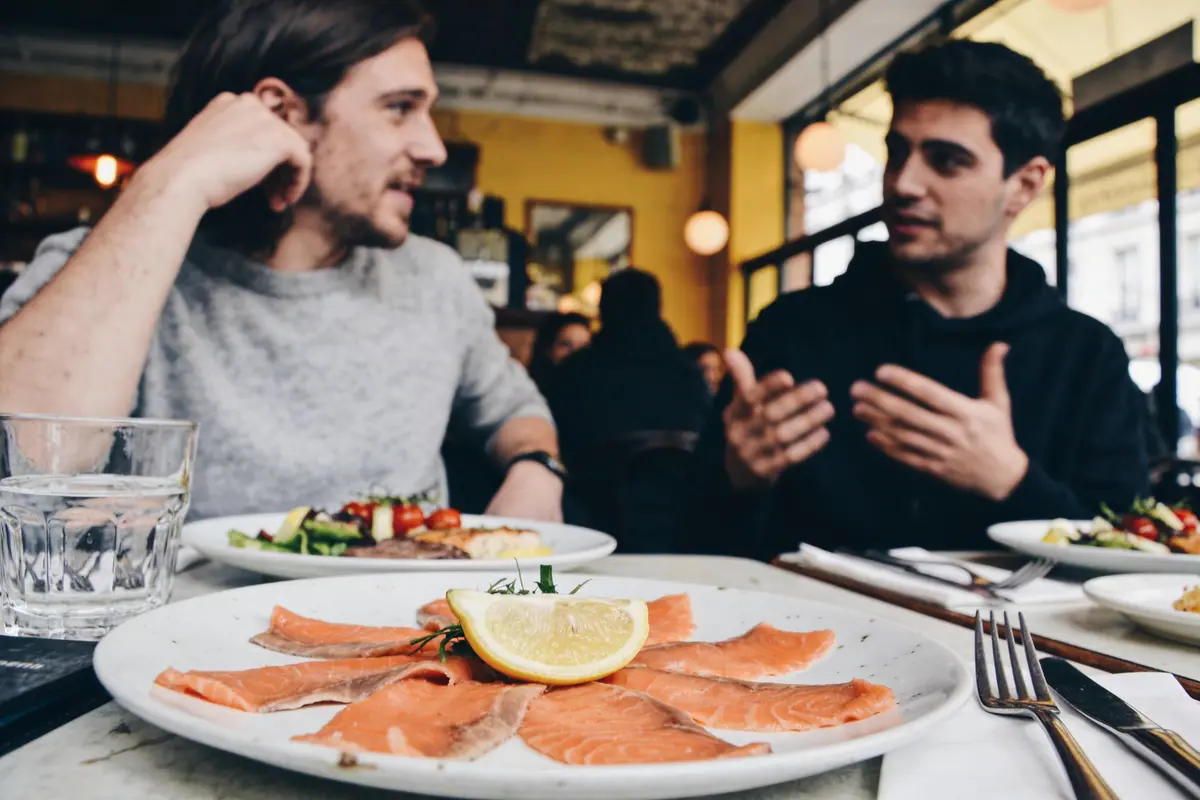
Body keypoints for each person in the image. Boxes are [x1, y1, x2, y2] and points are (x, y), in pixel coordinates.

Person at [0, 0, 564, 522]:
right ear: (281, 112)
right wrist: (173, 183)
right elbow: (22, 466)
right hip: (173, 628)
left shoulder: (436, 278)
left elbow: (514, 409)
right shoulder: (98, 262)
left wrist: (537, 469)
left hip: (399, 624)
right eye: (399, 109)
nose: (433, 149)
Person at [687, 40, 1150, 559]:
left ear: (1024, 184)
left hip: (1013, 641)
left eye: (947, 162)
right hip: (819, 631)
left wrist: (1013, 482)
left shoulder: (1085, 354)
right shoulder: (793, 329)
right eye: (897, 152)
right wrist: (737, 478)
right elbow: (692, 542)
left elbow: (1130, 553)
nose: (904, 183)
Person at [546, 268, 711, 552]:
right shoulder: (688, 372)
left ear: (604, 311)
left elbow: (557, 449)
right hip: (689, 526)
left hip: (593, 527)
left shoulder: (578, 371)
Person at [527, 312, 592, 396]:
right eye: (565, 345)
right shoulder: (529, 392)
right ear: (547, 349)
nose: (576, 352)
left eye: (584, 346)